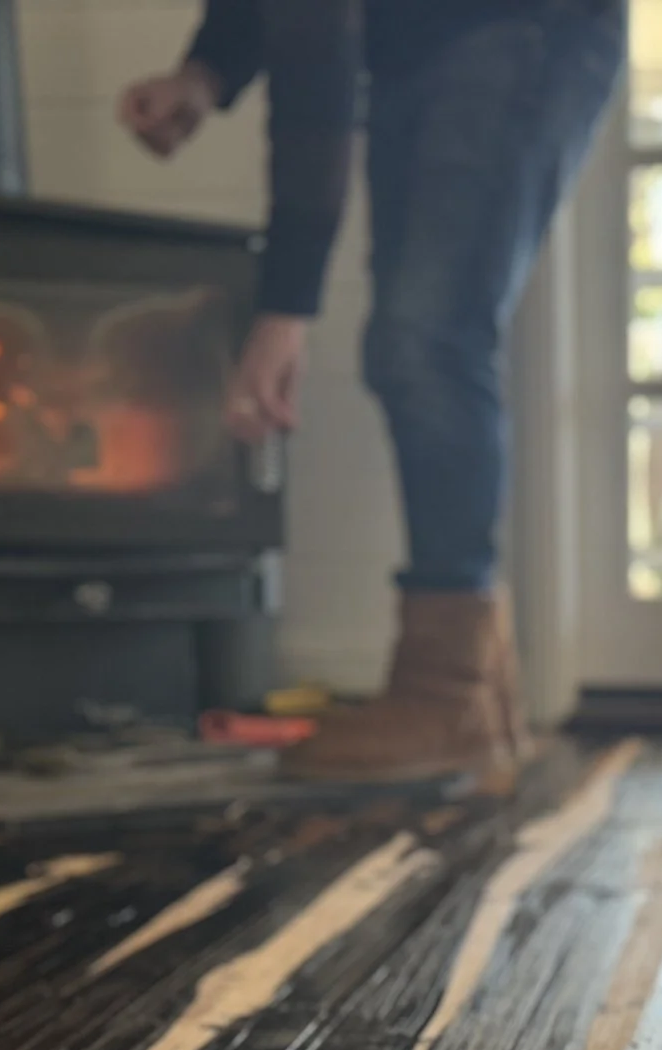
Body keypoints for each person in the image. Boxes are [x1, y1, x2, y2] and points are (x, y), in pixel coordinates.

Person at [120, 0, 624, 783]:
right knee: (417, 344)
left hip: (521, 26)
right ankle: (477, 699)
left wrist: (286, 304)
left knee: (425, 340)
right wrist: (206, 69)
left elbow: (312, 51)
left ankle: (446, 692)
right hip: (418, 46)